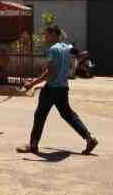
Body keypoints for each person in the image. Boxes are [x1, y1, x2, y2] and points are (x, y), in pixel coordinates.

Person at [17, 25, 99, 155]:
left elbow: (50, 72)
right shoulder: (66, 47)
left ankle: (33, 145)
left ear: (54, 34)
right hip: (63, 88)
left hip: (51, 89)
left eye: (47, 34)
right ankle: (89, 138)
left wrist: (33, 83)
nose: (45, 37)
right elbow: (77, 52)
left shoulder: (53, 50)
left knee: (40, 115)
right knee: (69, 115)